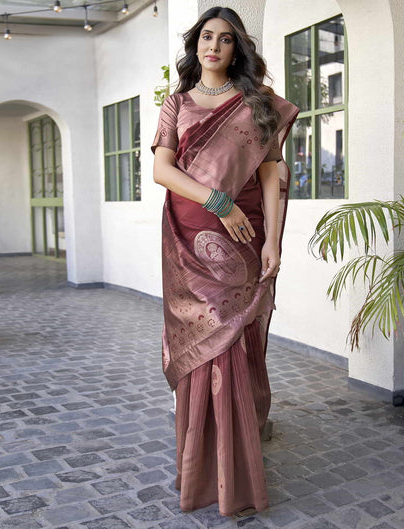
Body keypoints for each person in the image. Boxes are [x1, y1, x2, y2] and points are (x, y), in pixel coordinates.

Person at [151, 6, 299, 518]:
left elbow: (271, 179)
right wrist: (219, 201)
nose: (213, 46)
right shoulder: (177, 104)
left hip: (243, 238)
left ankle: (235, 465)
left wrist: (273, 242)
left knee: (234, 341)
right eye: (206, 36)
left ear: (239, 50)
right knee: (203, 341)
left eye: (226, 39)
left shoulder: (259, 105)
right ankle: (201, 466)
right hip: (191, 237)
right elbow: (162, 171)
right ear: (196, 44)